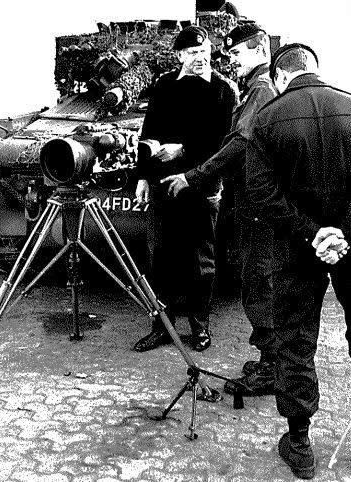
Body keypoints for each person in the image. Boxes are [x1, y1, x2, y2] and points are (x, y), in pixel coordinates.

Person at [245, 43, 351, 479]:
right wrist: (341, 233)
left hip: (295, 247)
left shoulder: (267, 119)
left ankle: (300, 443)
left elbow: (261, 192)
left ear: (281, 75)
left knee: (294, 338)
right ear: (315, 69)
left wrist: (312, 233)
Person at [161, 23, 278, 395]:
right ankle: (268, 359)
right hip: (238, 196)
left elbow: (238, 141)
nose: (232, 60)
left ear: (259, 50)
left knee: (258, 283)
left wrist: (195, 176)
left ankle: (271, 367)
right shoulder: (250, 89)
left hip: (248, 202)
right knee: (254, 280)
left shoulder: (255, 90)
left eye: (238, 53)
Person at [134, 25, 237, 352]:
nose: (200, 58)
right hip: (164, 185)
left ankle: (200, 326)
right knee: (160, 258)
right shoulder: (165, 86)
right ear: (179, 55)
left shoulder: (223, 90)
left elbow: (222, 142)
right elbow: (148, 133)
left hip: (203, 185)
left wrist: (183, 150)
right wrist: (142, 176)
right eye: (192, 53)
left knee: (201, 261)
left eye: (204, 51)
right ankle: (162, 326)